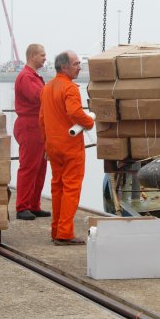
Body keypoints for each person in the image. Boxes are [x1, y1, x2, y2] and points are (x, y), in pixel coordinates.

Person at [39, 50, 94, 245]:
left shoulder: (47, 88)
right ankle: (64, 233)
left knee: (57, 186)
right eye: (76, 64)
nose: (80, 67)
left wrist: (47, 143)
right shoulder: (70, 88)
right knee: (71, 187)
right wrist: (89, 122)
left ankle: (56, 230)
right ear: (65, 67)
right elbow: (74, 112)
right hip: (70, 146)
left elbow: (42, 119)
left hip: (53, 145)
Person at [13, 44, 50, 220]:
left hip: (39, 126)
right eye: (42, 55)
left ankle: (34, 204)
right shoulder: (26, 77)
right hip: (29, 125)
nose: (45, 58)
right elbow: (39, 96)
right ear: (33, 56)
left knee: (40, 167)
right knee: (28, 167)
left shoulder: (34, 76)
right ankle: (22, 206)